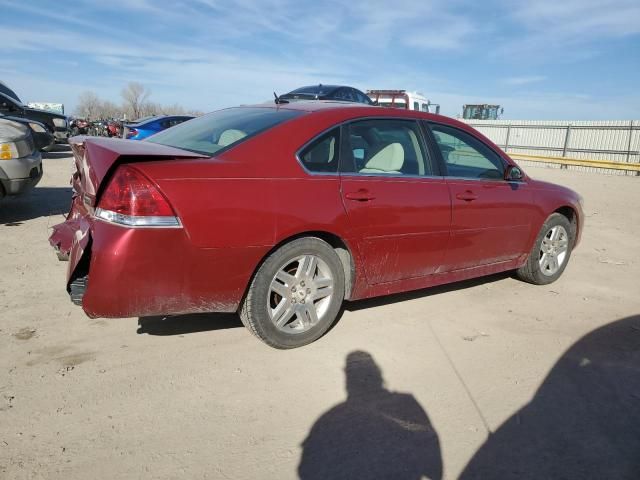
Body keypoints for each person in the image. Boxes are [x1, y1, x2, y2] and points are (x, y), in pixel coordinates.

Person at [298, 351, 442, 480]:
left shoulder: (330, 419)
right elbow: (434, 465)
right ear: (378, 375)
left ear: (348, 382)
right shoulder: (406, 404)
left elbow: (306, 470)